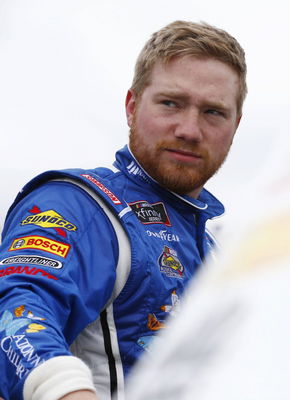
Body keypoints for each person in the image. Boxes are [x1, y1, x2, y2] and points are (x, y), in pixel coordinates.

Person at [0, 20, 246, 400]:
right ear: (132, 107)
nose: (189, 129)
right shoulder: (80, 205)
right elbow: (16, 306)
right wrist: (61, 388)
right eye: (171, 103)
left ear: (236, 125)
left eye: (213, 112)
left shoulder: (216, 248)